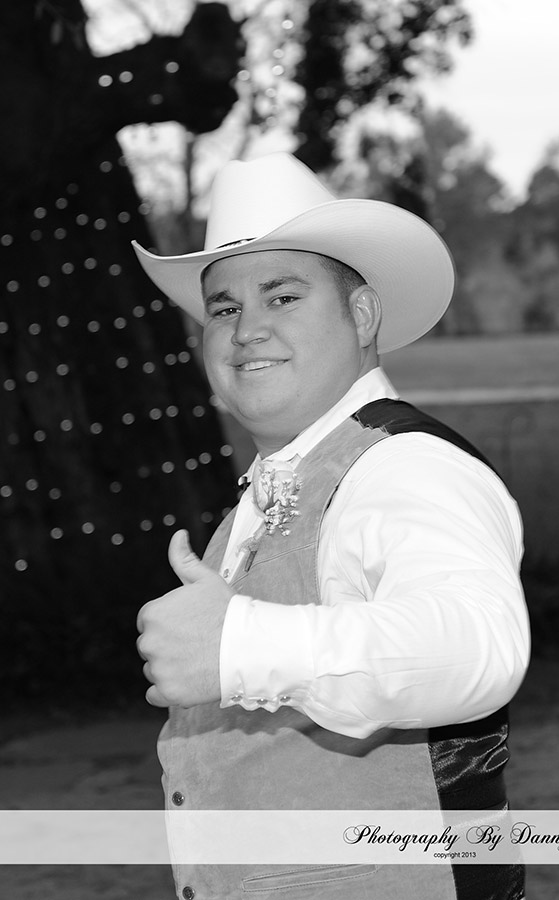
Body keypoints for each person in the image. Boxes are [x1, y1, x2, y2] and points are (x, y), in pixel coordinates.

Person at [133, 152, 530, 900]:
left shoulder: (404, 467)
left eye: (282, 296)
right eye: (224, 309)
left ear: (362, 315)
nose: (246, 330)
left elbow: (477, 646)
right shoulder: (268, 491)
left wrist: (241, 645)